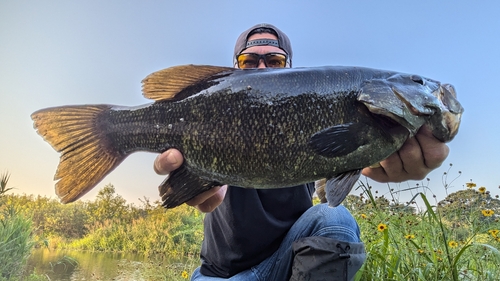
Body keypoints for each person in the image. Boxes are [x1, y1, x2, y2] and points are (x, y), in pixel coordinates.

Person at [153, 23, 450, 280]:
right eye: (248, 61)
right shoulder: (213, 109)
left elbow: (345, 167)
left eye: (274, 60)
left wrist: (376, 158)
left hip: (286, 264)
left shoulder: (352, 120)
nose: (261, 68)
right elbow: (211, 193)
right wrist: (201, 184)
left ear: (291, 69)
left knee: (337, 220)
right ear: (233, 69)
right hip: (220, 275)